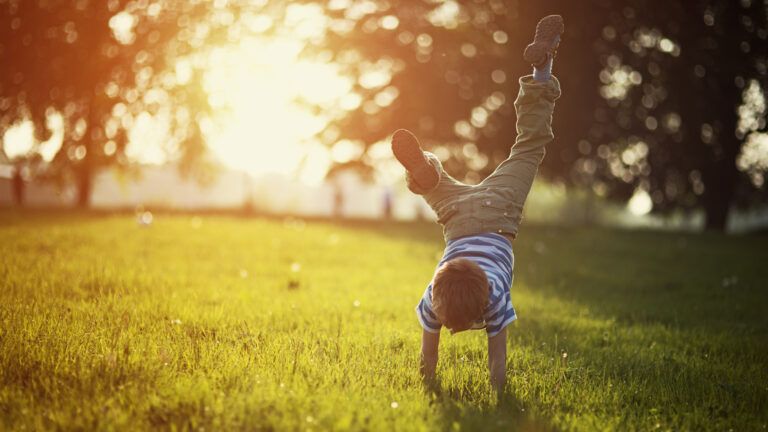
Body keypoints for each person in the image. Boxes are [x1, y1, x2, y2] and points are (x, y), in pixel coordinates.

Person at [391, 15, 564, 394]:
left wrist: (430, 388)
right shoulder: (438, 296)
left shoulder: (485, 297)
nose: (450, 329)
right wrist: (496, 394)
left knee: (529, 146)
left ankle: (426, 172)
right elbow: (493, 362)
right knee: (523, 146)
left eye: (449, 324)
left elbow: (430, 361)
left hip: (497, 211)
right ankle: (427, 175)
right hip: (457, 216)